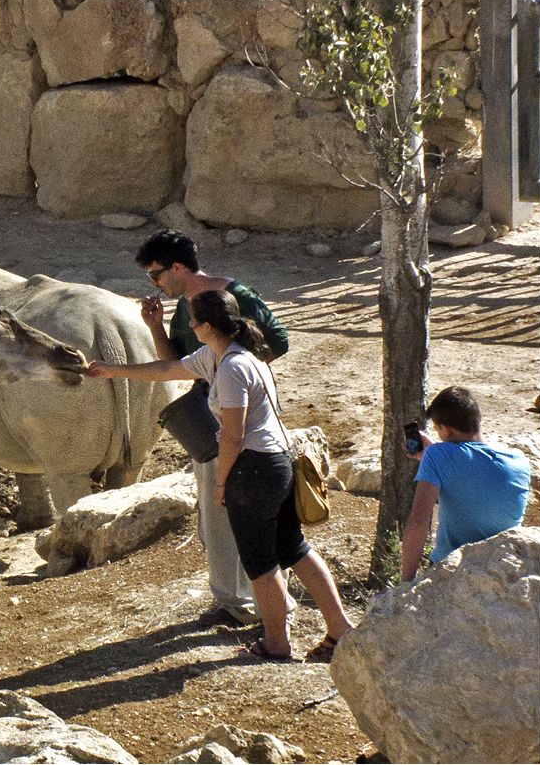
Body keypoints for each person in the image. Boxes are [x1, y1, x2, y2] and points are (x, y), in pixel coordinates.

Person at [87, 290, 354, 661]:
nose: (191, 326)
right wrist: (112, 369)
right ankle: (340, 628)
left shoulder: (230, 368)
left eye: (193, 321)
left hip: (252, 470)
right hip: (277, 464)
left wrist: (221, 481)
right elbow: (168, 369)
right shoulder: (230, 356)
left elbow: (233, 434)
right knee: (295, 550)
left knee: (260, 563)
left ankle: (277, 643)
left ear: (208, 326)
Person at [134, 230, 289, 626]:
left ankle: (252, 604)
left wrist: (230, 374)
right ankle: (235, 599)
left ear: (179, 267)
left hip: (239, 417)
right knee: (214, 512)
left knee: (237, 508)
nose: (155, 284)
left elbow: (277, 343)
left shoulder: (235, 297)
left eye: (156, 275)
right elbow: (177, 364)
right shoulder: (185, 311)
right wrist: (154, 326)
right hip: (208, 415)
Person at [401, 386, 530, 582]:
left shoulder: (437, 455)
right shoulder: (519, 459)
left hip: (453, 571)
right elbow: (476, 481)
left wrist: (405, 584)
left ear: (448, 430)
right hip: (505, 568)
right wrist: (431, 457)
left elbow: (419, 522)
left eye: (438, 429)